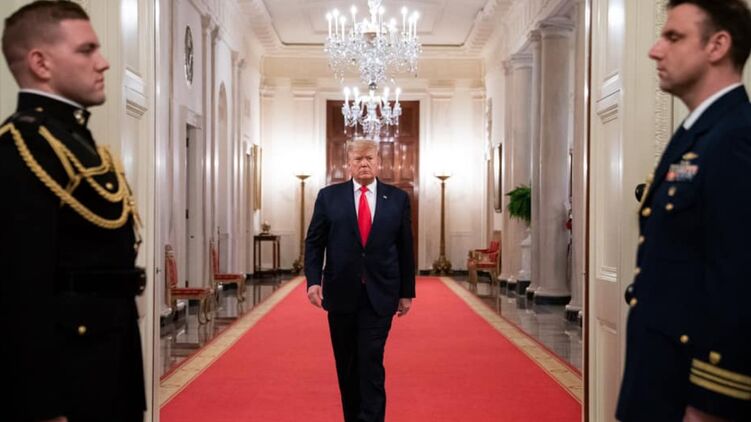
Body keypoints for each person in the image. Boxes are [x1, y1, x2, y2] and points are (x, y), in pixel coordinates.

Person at [0, 2, 147, 421]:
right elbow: (16, 292)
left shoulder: (74, 143)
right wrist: (41, 408)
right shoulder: (21, 149)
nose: (103, 62)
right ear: (40, 63)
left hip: (109, 366)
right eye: (86, 50)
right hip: (67, 385)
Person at [617, 0, 751, 421]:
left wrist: (711, 403)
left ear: (718, 45)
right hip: (660, 381)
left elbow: (739, 279)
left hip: (692, 399)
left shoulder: (736, 137)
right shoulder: (699, 133)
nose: (655, 50)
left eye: (673, 37)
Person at [305, 138, 416, 422]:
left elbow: (405, 247)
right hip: (341, 293)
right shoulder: (329, 197)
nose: (364, 163)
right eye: (358, 159)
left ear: (379, 162)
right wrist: (313, 281)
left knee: (371, 360)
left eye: (369, 158)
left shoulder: (398, 199)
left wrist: (407, 292)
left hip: (380, 293)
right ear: (349, 163)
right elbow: (314, 242)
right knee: (347, 364)